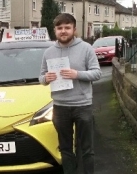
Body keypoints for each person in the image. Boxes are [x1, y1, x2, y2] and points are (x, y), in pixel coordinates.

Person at [39, 13, 101, 174]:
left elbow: (97, 73)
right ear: (55, 30)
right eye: (60, 28)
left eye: (67, 27)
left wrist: (77, 74)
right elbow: (41, 77)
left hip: (82, 105)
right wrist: (46, 78)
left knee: (87, 149)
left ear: (74, 29)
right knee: (65, 149)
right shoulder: (48, 52)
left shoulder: (86, 48)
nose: (63, 31)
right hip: (60, 107)